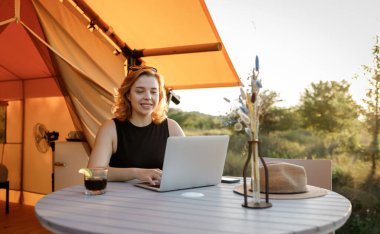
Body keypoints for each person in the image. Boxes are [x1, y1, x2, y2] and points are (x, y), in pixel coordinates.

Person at [88, 65, 185, 185]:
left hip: (162, 199)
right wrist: (137, 173)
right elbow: (93, 172)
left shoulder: (172, 128)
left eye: (153, 92)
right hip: (121, 200)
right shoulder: (110, 128)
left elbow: (188, 169)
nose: (148, 97)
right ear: (128, 95)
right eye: (140, 91)